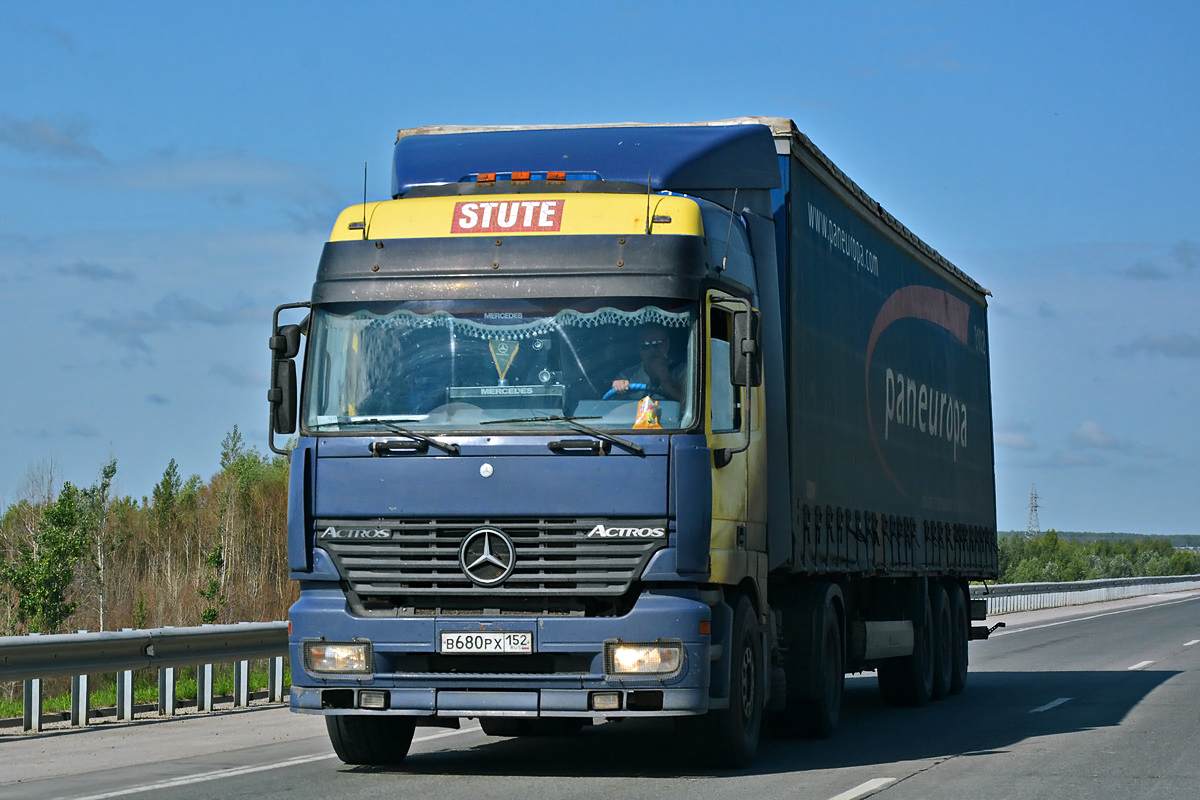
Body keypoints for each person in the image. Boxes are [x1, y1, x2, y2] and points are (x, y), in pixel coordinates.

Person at [610, 326, 685, 402]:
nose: (651, 350)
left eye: (657, 344)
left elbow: (690, 404)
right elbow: (614, 407)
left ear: (667, 345)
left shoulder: (682, 372)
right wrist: (619, 389)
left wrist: (666, 380)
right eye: (645, 345)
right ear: (638, 349)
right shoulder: (627, 376)